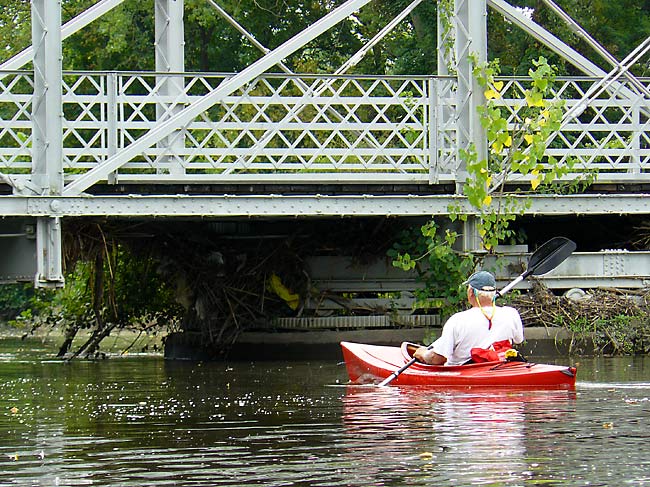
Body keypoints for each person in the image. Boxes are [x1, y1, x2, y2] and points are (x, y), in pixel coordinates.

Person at [413, 270, 524, 366]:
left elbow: (437, 359)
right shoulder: (511, 314)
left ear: (471, 292)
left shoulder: (457, 320)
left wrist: (423, 353)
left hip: (464, 372)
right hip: (499, 367)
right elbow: (519, 340)